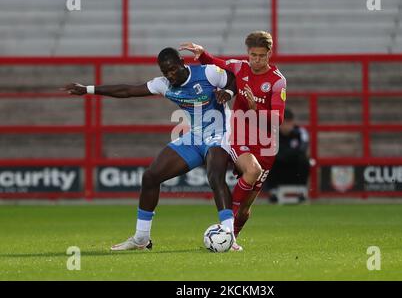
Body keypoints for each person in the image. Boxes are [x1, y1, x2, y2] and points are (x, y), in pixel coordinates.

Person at [61, 47, 237, 251]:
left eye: (172, 69)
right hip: (194, 137)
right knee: (150, 177)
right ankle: (141, 238)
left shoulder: (208, 72)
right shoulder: (163, 84)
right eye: (165, 72)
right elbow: (127, 91)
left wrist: (229, 91)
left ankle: (229, 235)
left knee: (215, 177)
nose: (170, 75)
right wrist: (88, 89)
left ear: (182, 62)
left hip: (219, 133)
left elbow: (233, 77)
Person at [180, 31, 287, 251]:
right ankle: (225, 227)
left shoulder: (277, 81)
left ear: (270, 54)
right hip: (239, 136)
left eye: (261, 56)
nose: (256, 60)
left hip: (266, 145)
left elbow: (278, 120)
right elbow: (216, 63)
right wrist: (202, 53)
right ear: (247, 53)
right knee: (252, 170)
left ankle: (231, 238)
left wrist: (255, 109)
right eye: (252, 55)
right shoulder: (240, 68)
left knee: (246, 208)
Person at [265, 108, 310, 203]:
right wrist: (289, 153)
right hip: (279, 167)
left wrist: (284, 153)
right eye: (283, 123)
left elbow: (302, 150)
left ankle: (302, 191)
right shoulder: (272, 133)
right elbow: (271, 150)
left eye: (289, 123)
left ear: (293, 122)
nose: (286, 126)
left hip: (295, 168)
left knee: (304, 160)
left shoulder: (301, 132)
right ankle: (273, 191)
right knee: (269, 160)